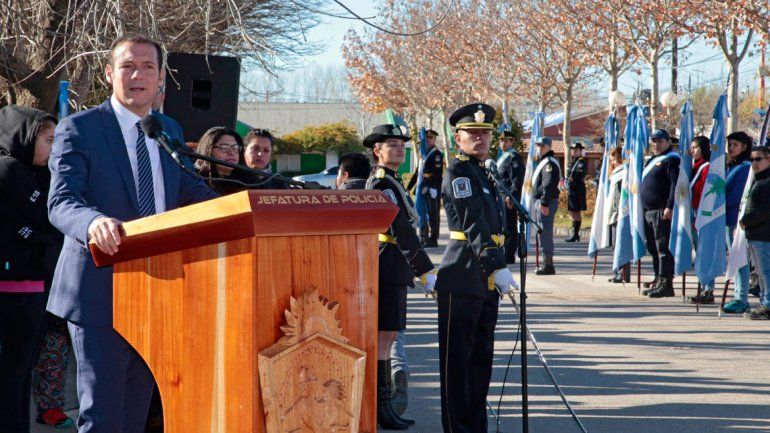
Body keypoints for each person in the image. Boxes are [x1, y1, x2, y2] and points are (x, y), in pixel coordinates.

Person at [46, 35, 218, 433]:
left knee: (136, 412)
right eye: (127, 66)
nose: (137, 75)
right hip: (99, 288)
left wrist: (240, 210)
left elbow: (188, 190)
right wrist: (92, 222)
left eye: (148, 67)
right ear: (110, 74)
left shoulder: (167, 128)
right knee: (102, 414)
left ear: (161, 79)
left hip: (158, 289)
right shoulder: (80, 129)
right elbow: (61, 201)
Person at [434, 103, 518, 433]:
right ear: (458, 138)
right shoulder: (458, 173)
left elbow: (499, 223)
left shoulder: (485, 172)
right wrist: (496, 264)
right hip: (462, 276)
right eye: (474, 133)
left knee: (480, 362)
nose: (481, 139)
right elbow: (473, 222)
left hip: (484, 280)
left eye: (485, 134)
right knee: (458, 365)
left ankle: (476, 427)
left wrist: (505, 259)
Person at [363, 124, 435, 430]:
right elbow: (400, 229)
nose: (399, 149)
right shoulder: (382, 184)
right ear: (377, 151)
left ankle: (385, 405)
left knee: (389, 336)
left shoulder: (393, 181)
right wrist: (425, 268)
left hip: (393, 265)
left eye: (401, 145)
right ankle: (381, 407)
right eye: (391, 145)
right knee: (383, 337)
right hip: (386, 263)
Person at [0, 106, 62, 433]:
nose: (54, 148)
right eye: (49, 139)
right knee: (11, 375)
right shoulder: (9, 169)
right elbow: (47, 218)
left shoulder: (36, 173)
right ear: (25, 136)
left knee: (20, 375)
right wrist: (40, 235)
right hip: (15, 292)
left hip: (33, 289)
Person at [640, 129, 680, 298]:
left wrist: (669, 206)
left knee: (663, 249)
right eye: (653, 141)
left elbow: (674, 185)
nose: (656, 144)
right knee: (653, 248)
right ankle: (658, 279)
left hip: (661, 211)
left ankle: (666, 284)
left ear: (668, 142)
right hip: (648, 211)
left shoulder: (671, 160)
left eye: (660, 141)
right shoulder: (653, 160)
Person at [722, 132, 754, 313]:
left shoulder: (744, 168)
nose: (731, 148)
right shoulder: (731, 166)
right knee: (734, 258)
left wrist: (718, 204)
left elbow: (737, 196)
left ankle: (741, 298)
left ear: (744, 146)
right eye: (729, 144)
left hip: (736, 219)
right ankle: (738, 295)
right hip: (727, 219)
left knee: (739, 259)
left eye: (735, 144)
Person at [740, 145, 770, 320]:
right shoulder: (758, 179)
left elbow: (766, 209)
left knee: (766, 272)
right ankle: (765, 302)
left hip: (764, 234)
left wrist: (746, 221)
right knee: (760, 272)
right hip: (755, 234)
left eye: (758, 159)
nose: (754, 163)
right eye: (752, 159)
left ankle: (768, 305)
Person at [686, 136, 714, 301]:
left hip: (703, 214)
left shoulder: (706, 167)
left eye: (695, 147)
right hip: (694, 213)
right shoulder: (694, 167)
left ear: (703, 148)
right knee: (699, 252)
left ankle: (708, 289)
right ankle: (704, 286)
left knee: (705, 252)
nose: (692, 150)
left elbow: (707, 193)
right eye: (691, 147)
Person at [195, 126, 257, 195]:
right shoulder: (195, 180)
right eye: (224, 148)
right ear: (207, 150)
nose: (232, 152)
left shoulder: (250, 181)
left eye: (235, 148)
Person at [532, 136, 562, 275]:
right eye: (538, 146)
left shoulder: (548, 163)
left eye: (542, 146)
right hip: (544, 201)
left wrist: (544, 202)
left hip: (547, 201)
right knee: (542, 231)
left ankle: (548, 265)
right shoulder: (544, 161)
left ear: (549, 147)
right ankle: (546, 262)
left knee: (545, 232)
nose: (540, 148)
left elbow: (548, 184)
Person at [496, 129, 525, 263]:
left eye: (506, 140)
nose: (503, 143)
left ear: (512, 141)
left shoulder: (514, 157)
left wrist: (511, 196)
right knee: (502, 225)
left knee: (509, 226)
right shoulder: (502, 156)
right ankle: (503, 250)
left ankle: (509, 253)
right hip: (499, 196)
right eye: (501, 140)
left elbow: (516, 180)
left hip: (508, 197)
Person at [606, 146, 630, 283]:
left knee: (621, 243)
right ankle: (617, 271)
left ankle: (623, 273)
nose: (613, 161)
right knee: (615, 244)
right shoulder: (615, 173)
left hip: (621, 212)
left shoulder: (623, 173)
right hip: (614, 212)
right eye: (612, 159)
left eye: (615, 158)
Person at [565, 142, 587, 243]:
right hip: (572, 189)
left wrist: (571, 180)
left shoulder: (581, 162)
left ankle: (575, 234)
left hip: (577, 190)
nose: (573, 151)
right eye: (572, 149)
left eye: (575, 149)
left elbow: (580, 175)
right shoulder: (573, 161)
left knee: (576, 211)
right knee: (573, 211)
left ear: (579, 150)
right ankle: (575, 233)